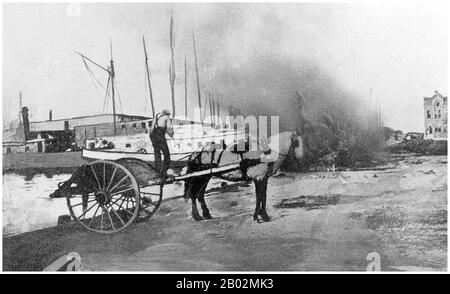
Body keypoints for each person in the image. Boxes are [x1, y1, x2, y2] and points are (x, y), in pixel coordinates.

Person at [149, 109, 174, 175]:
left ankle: (157, 170)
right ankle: (164, 171)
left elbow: (151, 129)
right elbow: (169, 129)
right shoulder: (167, 118)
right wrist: (172, 136)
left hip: (153, 135)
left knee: (157, 154)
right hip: (160, 136)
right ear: (167, 114)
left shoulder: (156, 116)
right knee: (166, 154)